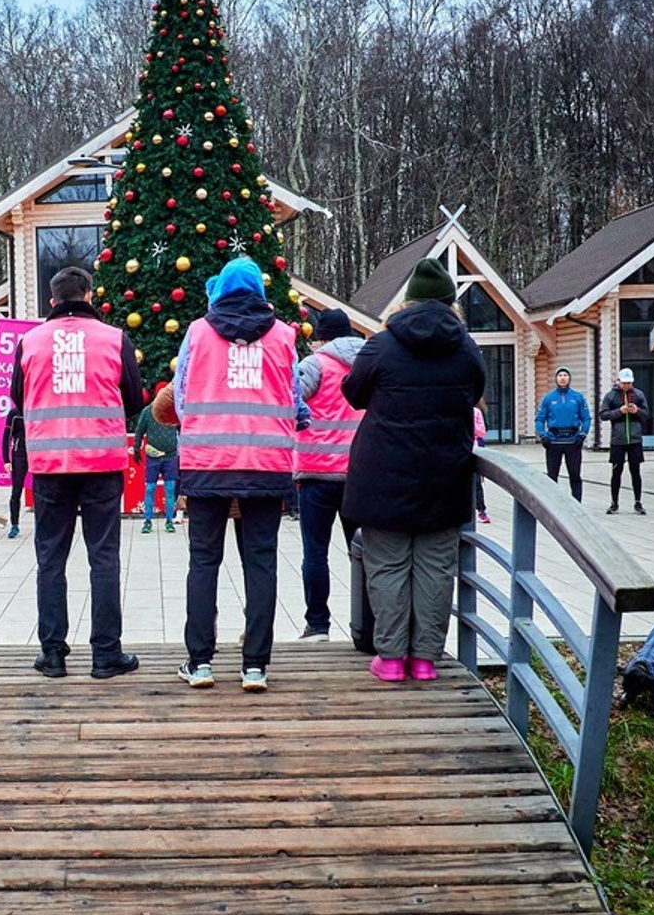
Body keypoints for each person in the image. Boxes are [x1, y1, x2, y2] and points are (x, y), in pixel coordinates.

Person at [342, 257, 486, 683]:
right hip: (445, 474)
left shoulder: (382, 344)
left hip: (383, 474)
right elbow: (475, 392)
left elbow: (353, 393)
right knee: (436, 567)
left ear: (408, 303)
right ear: (450, 304)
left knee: (386, 565)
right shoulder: (468, 348)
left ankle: (389, 659)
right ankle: (424, 659)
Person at [171, 259, 306, 692]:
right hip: (267, 462)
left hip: (207, 461)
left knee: (204, 560)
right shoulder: (285, 335)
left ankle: (201, 663)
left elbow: (181, 396)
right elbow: (294, 396)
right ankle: (255, 666)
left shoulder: (197, 332)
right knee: (262, 560)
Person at [12, 265, 144, 679]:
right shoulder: (114, 338)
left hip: (50, 464)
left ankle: (52, 654)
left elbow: (17, 397)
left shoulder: (29, 342)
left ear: (53, 300)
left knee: (51, 559)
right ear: (89, 295)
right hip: (101, 462)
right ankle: (106, 655)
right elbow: (135, 398)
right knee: (103, 558)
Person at [294, 306, 364, 641]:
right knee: (365, 552)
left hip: (316, 472)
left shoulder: (314, 365)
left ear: (321, 337)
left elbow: (290, 403)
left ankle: (318, 625)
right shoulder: (368, 363)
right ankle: (369, 624)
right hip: (360, 473)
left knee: (315, 551)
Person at [535, 366, 591, 502]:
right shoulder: (549, 398)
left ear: (569, 378)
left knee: (575, 475)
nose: (562, 378)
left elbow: (586, 418)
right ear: (556, 379)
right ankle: (552, 504)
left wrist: (583, 434)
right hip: (554, 441)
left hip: (573, 441)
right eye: (560, 375)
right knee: (552, 476)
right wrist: (543, 435)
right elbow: (540, 419)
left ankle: (577, 503)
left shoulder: (578, 398)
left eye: (565, 375)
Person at [600, 367, 649, 515]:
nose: (626, 386)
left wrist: (637, 411)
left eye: (629, 383)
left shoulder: (639, 395)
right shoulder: (611, 396)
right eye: (624, 383)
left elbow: (646, 414)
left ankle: (638, 502)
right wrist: (619, 411)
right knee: (616, 471)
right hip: (618, 440)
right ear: (619, 381)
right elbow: (603, 414)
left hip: (634, 439)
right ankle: (614, 502)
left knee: (636, 471)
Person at [133, 396, 179, 534]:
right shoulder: (147, 412)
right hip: (154, 457)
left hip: (170, 457)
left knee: (169, 490)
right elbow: (139, 430)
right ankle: (148, 521)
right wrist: (136, 448)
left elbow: (184, 427)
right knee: (150, 488)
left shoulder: (174, 411)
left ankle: (169, 520)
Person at [1, 407, 28, 539]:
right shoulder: (14, 413)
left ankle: (44, 525)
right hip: (20, 455)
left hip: (37, 453)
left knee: (42, 491)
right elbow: (6, 437)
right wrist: (6, 459)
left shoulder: (37, 408)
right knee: (16, 491)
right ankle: (14, 525)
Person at [473, 400, 490, 523]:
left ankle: (481, 509)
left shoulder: (477, 411)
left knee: (476, 482)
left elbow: (482, 431)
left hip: (475, 449)